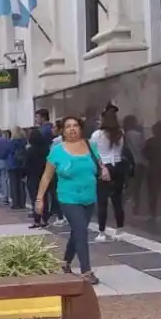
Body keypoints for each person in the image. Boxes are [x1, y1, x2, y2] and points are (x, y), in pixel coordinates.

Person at [35, 116, 108, 285]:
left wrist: (104, 169)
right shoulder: (57, 150)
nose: (72, 129)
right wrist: (39, 199)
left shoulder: (91, 145)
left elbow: (98, 163)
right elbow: (46, 177)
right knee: (81, 231)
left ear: (80, 128)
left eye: (75, 125)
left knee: (77, 232)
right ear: (63, 130)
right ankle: (86, 271)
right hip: (68, 197)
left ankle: (65, 262)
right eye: (68, 126)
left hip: (89, 196)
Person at [91, 108, 127, 242]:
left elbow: (94, 153)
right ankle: (119, 230)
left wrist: (101, 168)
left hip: (104, 167)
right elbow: (121, 150)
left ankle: (102, 232)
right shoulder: (120, 133)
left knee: (102, 202)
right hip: (118, 166)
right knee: (117, 200)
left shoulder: (97, 135)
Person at [7, 127, 28, 209]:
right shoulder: (24, 142)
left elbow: (7, 152)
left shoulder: (11, 143)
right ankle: (22, 203)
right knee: (21, 184)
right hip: (22, 165)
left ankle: (15, 203)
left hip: (12, 165)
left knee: (13, 185)